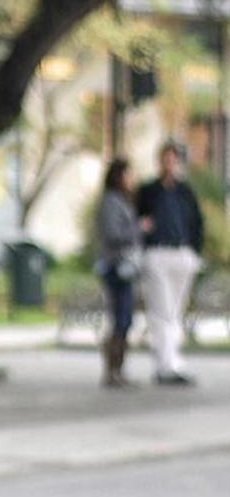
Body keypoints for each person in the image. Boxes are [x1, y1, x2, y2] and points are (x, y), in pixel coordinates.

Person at [136, 141, 205, 386]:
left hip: (181, 254)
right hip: (157, 253)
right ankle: (166, 365)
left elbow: (197, 222)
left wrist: (194, 253)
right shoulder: (149, 191)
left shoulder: (185, 191)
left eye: (173, 159)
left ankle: (172, 361)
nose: (169, 163)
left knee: (175, 313)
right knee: (162, 311)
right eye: (166, 158)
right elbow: (137, 219)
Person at [96, 157, 141, 388]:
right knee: (121, 318)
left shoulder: (123, 201)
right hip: (116, 267)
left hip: (125, 267)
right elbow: (113, 233)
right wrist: (138, 229)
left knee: (125, 319)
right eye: (128, 174)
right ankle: (113, 370)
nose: (132, 179)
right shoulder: (112, 202)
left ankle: (118, 370)